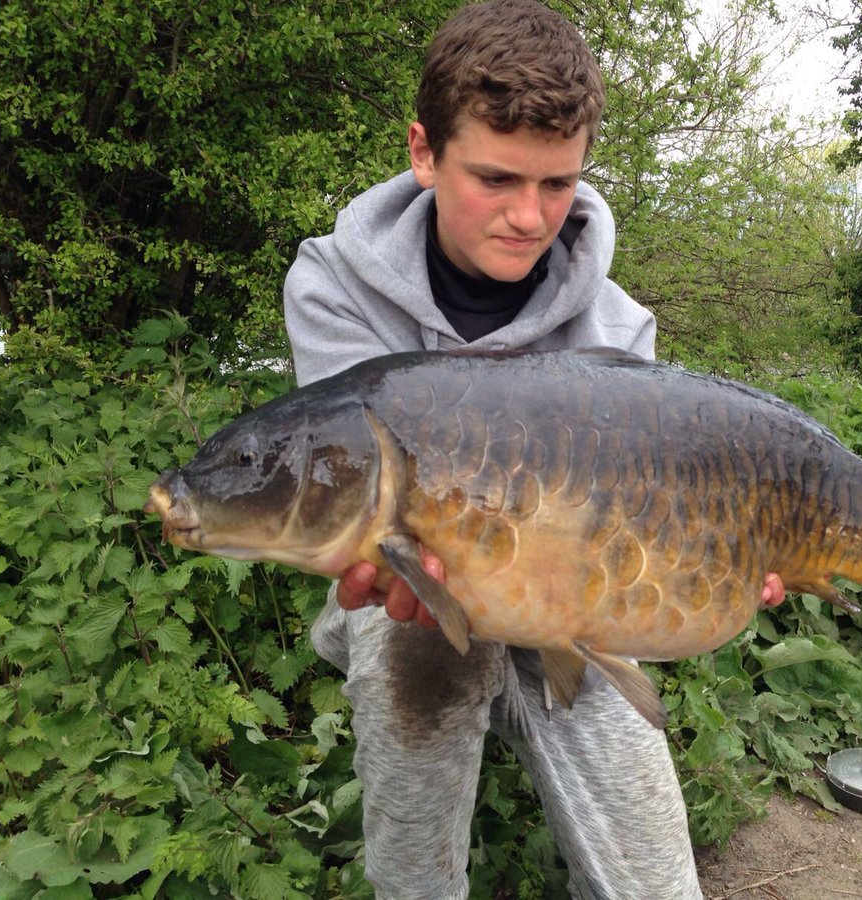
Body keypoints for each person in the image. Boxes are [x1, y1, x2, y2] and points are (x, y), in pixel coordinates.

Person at [283, 2, 785, 896]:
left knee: (654, 874)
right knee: (409, 686)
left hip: (576, 593)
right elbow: (350, 490)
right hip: (416, 591)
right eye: (498, 179)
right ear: (423, 151)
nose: (529, 215)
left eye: (559, 185)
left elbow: (649, 529)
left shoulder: (619, 328)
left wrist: (727, 552)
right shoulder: (333, 285)